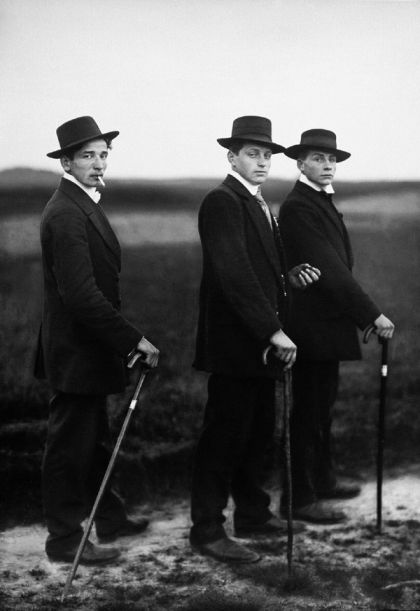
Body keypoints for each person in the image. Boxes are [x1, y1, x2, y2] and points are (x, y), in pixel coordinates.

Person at [190, 116, 321, 563]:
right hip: (235, 345)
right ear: (232, 157)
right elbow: (234, 273)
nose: (262, 161)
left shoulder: (258, 202)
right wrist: (273, 330)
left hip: (259, 345)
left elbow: (259, 269)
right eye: (252, 153)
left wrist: (289, 275)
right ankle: (207, 530)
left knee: (257, 432)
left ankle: (252, 513)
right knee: (224, 436)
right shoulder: (222, 201)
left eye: (267, 154)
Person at [35, 116, 159, 564]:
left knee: (95, 439)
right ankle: (64, 540)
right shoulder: (66, 212)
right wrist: (132, 340)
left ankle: (109, 517)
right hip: (76, 350)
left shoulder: (81, 202)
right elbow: (81, 295)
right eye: (87, 155)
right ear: (66, 162)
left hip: (89, 348)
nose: (99, 163)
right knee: (69, 447)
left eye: (103, 154)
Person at [279, 129, 395, 524]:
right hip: (310, 325)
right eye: (318, 158)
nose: (327, 165)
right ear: (301, 164)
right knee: (308, 410)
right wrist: (371, 315)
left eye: (331, 159)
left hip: (326, 323)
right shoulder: (299, 207)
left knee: (322, 407)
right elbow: (329, 268)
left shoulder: (318, 201)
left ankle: (323, 480)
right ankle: (298, 497)